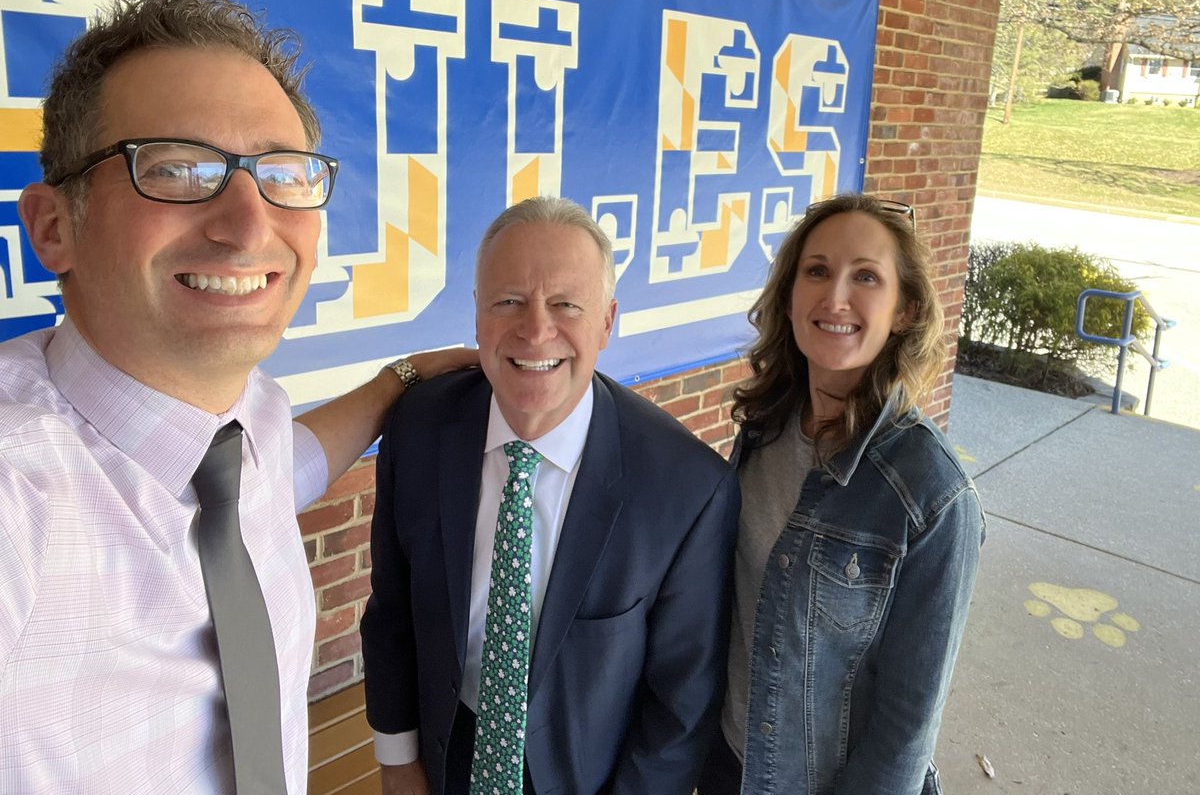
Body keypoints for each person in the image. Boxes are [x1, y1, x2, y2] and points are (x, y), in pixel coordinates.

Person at [0, 0, 475, 794]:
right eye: (179, 170)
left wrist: (396, 383)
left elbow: (279, 470)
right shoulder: (19, 494)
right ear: (53, 227)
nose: (249, 223)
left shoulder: (242, 417)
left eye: (282, 174)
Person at [360, 196, 740, 795]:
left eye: (566, 304)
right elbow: (392, 614)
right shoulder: (417, 429)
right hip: (444, 751)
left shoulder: (687, 488)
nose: (536, 330)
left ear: (607, 322)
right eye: (509, 301)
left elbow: (681, 703)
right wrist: (398, 763)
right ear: (478, 316)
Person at [697, 193, 985, 795]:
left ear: (904, 311)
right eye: (818, 271)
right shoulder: (768, 425)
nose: (835, 299)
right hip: (728, 762)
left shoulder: (932, 497)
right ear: (791, 294)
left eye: (867, 277)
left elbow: (906, 730)